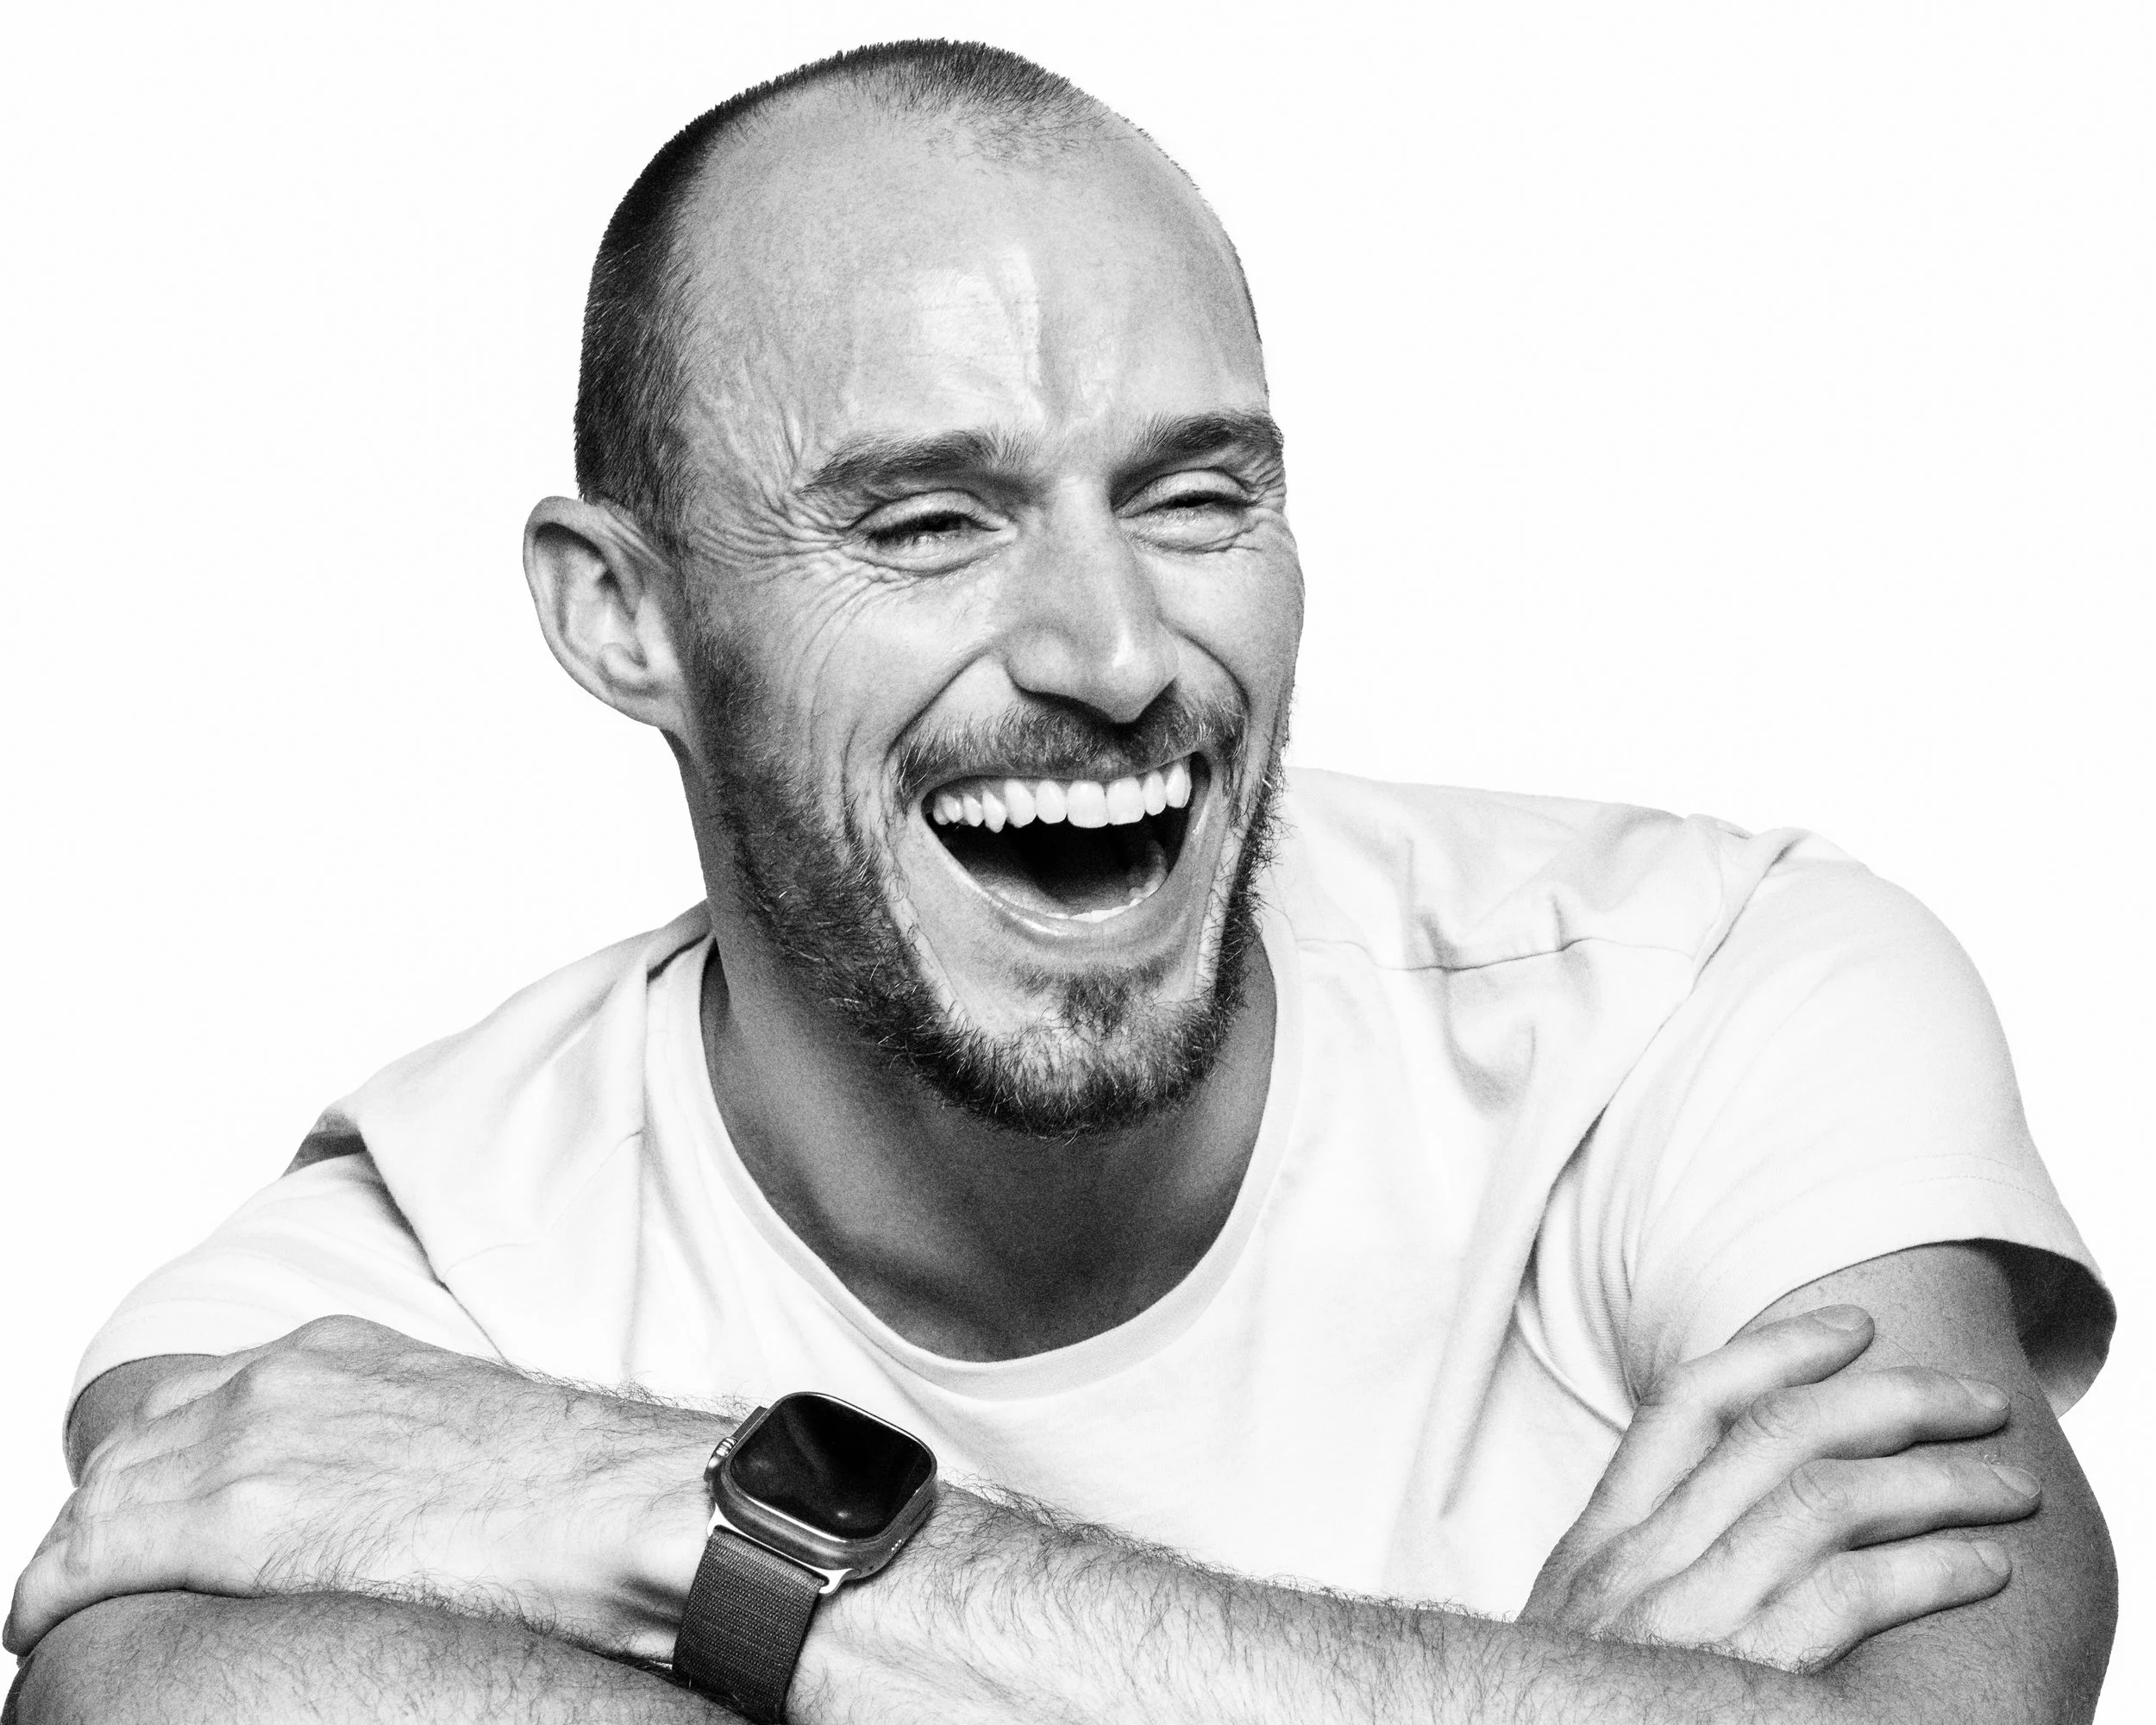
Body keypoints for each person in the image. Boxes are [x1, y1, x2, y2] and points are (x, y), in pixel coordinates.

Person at [4, 39, 2116, 1725]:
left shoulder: (1710, 1003)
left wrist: (658, 1517)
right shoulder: (397, 1294)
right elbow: (139, 1691)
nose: (1111, 658)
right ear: (621, 615)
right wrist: (1541, 1692)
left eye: (1195, 497)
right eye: (925, 525)